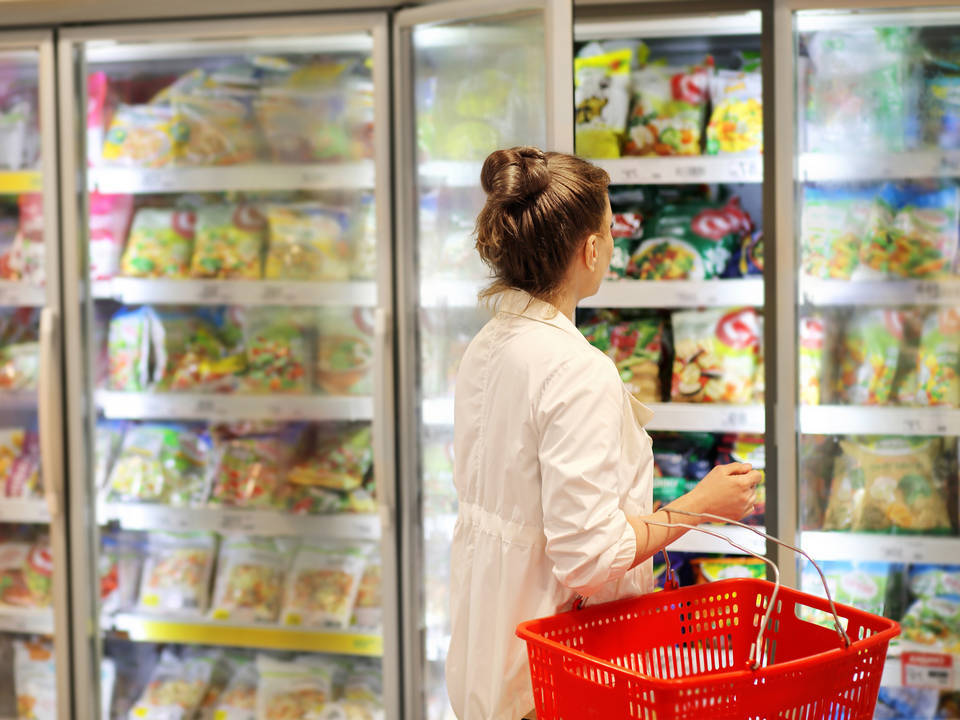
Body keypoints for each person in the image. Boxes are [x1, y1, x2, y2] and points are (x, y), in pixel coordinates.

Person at [445, 146, 762, 720]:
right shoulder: (574, 367)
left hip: (488, 655)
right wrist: (701, 504)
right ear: (591, 250)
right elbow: (588, 558)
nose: (613, 244)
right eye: (611, 230)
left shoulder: (489, 344)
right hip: (554, 674)